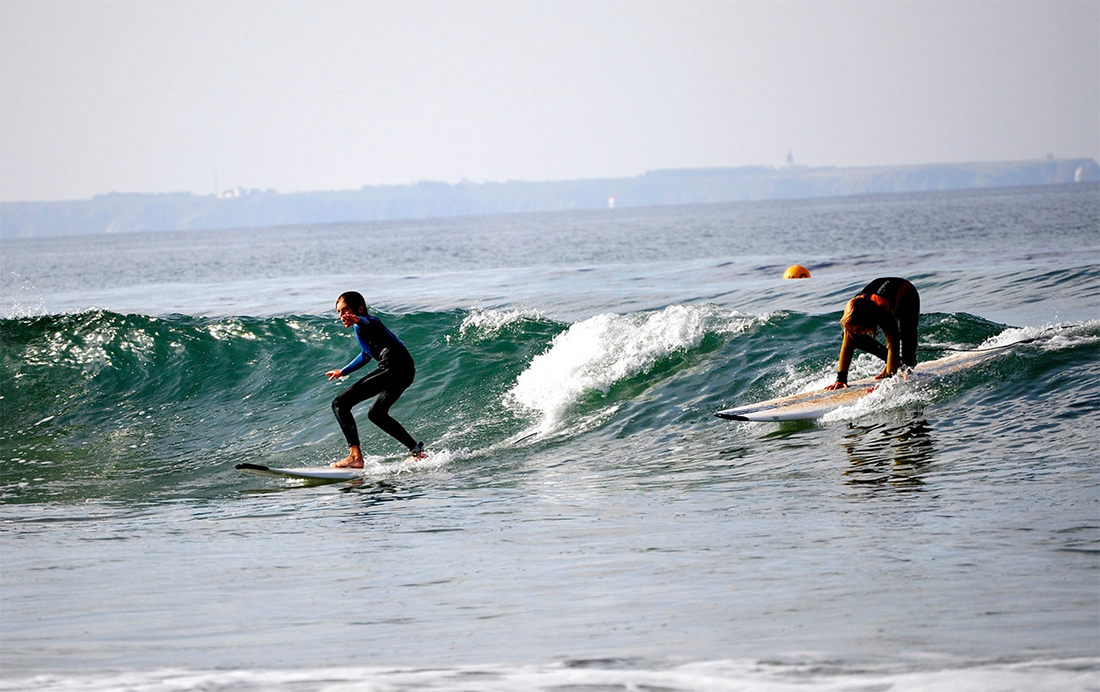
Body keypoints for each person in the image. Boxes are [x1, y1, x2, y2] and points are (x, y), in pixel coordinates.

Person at [326, 291, 426, 467]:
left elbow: (367, 322)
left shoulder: (369, 322)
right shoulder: (361, 328)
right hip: (405, 369)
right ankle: (416, 451)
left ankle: (355, 456)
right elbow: (366, 355)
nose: (342, 315)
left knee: (339, 404)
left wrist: (357, 319)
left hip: (394, 366)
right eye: (339, 312)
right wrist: (343, 371)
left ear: (360, 308)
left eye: (346, 310)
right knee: (376, 414)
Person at [824, 277, 920, 391]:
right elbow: (847, 346)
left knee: (906, 334)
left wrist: (887, 383)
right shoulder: (852, 312)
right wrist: (841, 379)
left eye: (859, 329)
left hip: (907, 296)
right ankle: (895, 361)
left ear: (866, 321)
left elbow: (893, 345)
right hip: (874, 300)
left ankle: (906, 365)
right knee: (855, 338)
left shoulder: (883, 309)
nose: (856, 332)